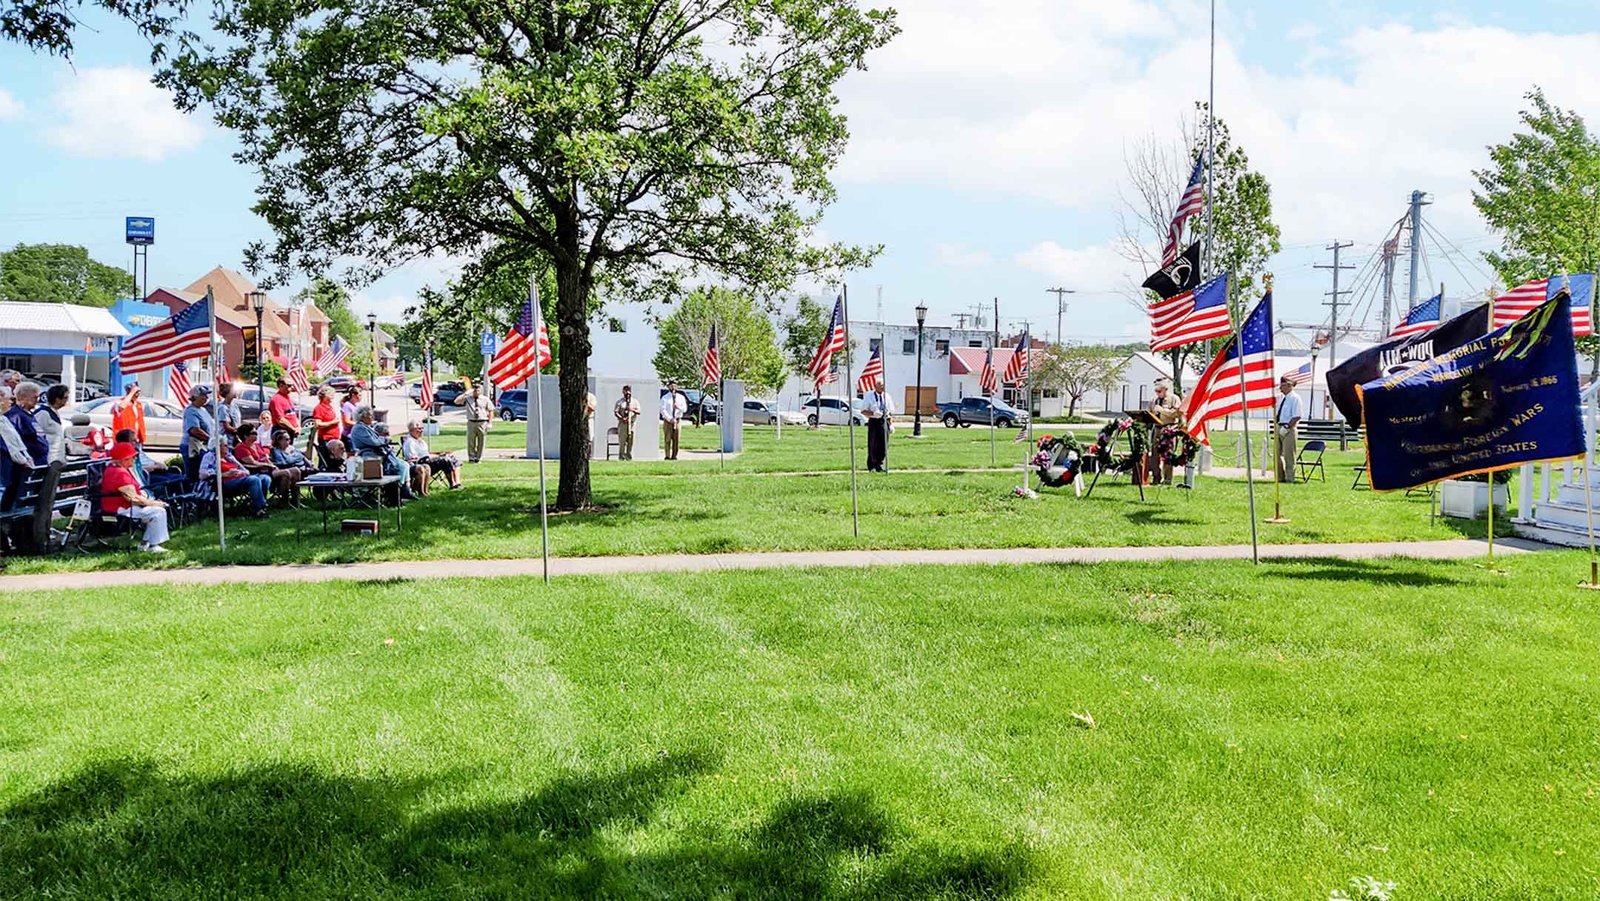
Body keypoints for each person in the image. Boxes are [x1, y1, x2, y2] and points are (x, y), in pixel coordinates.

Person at [102, 442, 170, 553]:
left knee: (155, 511)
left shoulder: (116, 469)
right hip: (121, 508)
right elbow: (132, 498)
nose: (135, 459)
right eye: (132, 457)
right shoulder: (119, 473)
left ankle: (144, 544)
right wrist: (154, 503)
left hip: (123, 506)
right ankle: (153, 546)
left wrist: (151, 502)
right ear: (124, 459)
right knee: (158, 511)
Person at [349, 405, 413, 500]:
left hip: (378, 454)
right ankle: (399, 492)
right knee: (401, 466)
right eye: (370, 415)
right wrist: (386, 440)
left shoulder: (366, 427)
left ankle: (404, 490)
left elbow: (377, 440)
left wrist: (382, 441)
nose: (372, 417)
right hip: (370, 456)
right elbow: (374, 442)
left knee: (404, 464)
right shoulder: (359, 428)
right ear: (363, 416)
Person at [234, 422, 302, 504]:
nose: (256, 434)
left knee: (296, 471)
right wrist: (269, 465)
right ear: (246, 436)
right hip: (258, 472)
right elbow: (253, 463)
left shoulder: (257, 445)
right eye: (254, 433)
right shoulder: (241, 448)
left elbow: (265, 458)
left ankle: (296, 500)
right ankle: (284, 501)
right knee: (286, 473)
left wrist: (273, 465)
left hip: (269, 469)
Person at [199, 443, 271, 516]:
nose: (228, 447)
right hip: (226, 482)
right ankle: (259, 508)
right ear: (217, 446)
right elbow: (203, 474)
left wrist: (242, 472)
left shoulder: (229, 457)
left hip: (241, 478)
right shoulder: (209, 457)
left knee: (265, 478)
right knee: (254, 480)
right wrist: (226, 474)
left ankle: (257, 504)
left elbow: (244, 469)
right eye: (225, 445)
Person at [401, 419, 463, 495]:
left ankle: (457, 483)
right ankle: (453, 485)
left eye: (422, 428)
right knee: (445, 460)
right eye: (419, 429)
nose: (421, 431)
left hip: (428, 460)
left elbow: (427, 453)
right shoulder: (410, 442)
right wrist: (433, 457)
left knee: (453, 458)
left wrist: (439, 454)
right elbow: (413, 458)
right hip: (421, 464)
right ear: (411, 430)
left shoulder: (421, 441)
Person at [0, 386, 37, 512]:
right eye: (8, 399)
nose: (11, 402)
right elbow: (7, 446)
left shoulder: (4, 419)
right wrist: (23, 460)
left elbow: (17, 441)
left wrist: (26, 456)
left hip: (10, 469)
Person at [114, 427, 182, 495]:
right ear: (125, 443)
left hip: (157, 471)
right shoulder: (126, 456)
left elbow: (147, 459)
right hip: (147, 475)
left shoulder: (137, 449)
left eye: (136, 440)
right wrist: (154, 467)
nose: (137, 442)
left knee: (182, 478)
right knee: (172, 482)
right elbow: (135, 470)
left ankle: (184, 500)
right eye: (133, 440)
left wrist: (157, 464)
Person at [1147, 378, 1184, 486]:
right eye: (1156, 391)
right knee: (1154, 454)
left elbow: (1177, 413)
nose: (1157, 393)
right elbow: (1149, 413)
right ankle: (1156, 477)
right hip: (1157, 429)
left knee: (1168, 455)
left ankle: (1167, 480)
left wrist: (1163, 411)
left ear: (1166, 389)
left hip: (1169, 429)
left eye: (1159, 391)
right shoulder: (1154, 400)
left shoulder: (1174, 398)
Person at [6, 382, 48, 467]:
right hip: (29, 461)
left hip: (40, 458)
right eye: (34, 397)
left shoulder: (28, 414)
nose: (37, 400)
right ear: (23, 397)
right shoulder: (16, 415)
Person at [180, 385, 215, 481]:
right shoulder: (191, 411)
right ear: (195, 396)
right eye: (203, 395)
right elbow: (194, 430)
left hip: (203, 447)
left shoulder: (203, 410)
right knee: (194, 475)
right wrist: (211, 439)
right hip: (192, 448)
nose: (206, 398)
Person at [1275, 374, 1303, 483]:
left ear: (1288, 385)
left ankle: (1290, 478)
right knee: (1276, 454)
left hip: (1289, 428)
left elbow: (1297, 415)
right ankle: (1280, 477)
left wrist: (1287, 427)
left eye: (1282, 386)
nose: (1280, 388)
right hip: (1279, 426)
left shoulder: (1295, 398)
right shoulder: (1282, 398)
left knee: (1289, 455)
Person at [861, 376, 893, 473]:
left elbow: (890, 411)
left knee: (884, 444)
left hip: (884, 421)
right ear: (876, 386)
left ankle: (879, 464)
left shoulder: (887, 396)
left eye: (883, 385)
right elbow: (863, 411)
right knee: (873, 444)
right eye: (881, 385)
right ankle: (872, 465)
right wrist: (873, 414)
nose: (883, 387)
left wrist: (891, 424)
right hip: (874, 421)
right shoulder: (869, 396)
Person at [37, 384, 70, 464]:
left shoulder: (54, 412)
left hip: (57, 458)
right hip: (49, 459)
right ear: (57, 399)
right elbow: (38, 436)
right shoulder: (43, 413)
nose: (67, 400)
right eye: (65, 398)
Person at [309, 385, 342, 464]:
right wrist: (332, 422)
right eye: (331, 395)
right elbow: (318, 424)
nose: (332, 397)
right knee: (326, 461)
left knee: (335, 461)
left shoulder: (329, 406)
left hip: (334, 438)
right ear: (324, 396)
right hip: (326, 439)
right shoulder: (319, 408)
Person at [660, 379, 687, 460]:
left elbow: (684, 409)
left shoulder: (681, 397)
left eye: (674, 386)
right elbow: (662, 410)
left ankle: (674, 456)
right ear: (669, 387)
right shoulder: (665, 398)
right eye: (671, 386)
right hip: (668, 421)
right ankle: (667, 456)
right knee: (667, 439)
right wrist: (669, 419)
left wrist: (678, 407)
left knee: (676, 439)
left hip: (678, 420)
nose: (673, 387)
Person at [463, 383, 490, 463]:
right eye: (475, 391)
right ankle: (471, 457)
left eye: (478, 391)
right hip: (471, 422)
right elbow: (456, 401)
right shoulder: (468, 399)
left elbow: (491, 410)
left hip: (482, 422)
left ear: (480, 391)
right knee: (471, 441)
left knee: (481, 441)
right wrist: (465, 394)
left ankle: (479, 458)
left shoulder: (485, 399)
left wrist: (490, 423)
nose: (476, 392)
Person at [614, 385, 640, 460]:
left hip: (632, 424)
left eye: (629, 390)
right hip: (623, 424)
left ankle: (629, 456)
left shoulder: (635, 401)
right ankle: (621, 457)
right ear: (623, 391)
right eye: (626, 391)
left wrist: (632, 409)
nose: (627, 392)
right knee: (622, 441)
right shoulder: (620, 402)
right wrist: (622, 418)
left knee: (631, 441)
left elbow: (639, 411)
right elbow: (616, 412)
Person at [216, 381, 242, 446]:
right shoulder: (222, 407)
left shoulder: (235, 406)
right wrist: (240, 431)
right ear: (228, 393)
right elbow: (226, 426)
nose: (236, 392)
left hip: (235, 439)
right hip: (227, 441)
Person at [585, 389, 597, 458]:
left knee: (589, 437)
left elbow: (592, 408)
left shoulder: (591, 396)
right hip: (579, 420)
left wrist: (585, 402)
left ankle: (588, 454)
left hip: (589, 419)